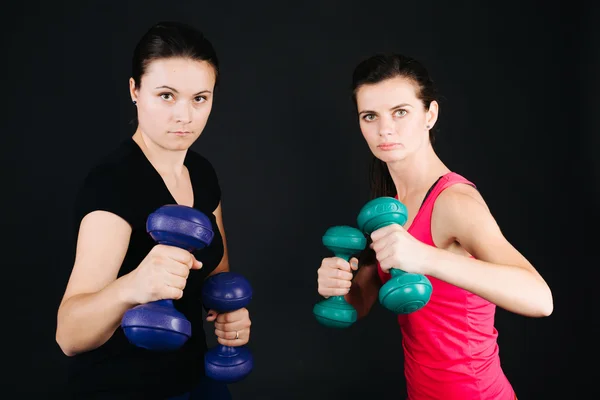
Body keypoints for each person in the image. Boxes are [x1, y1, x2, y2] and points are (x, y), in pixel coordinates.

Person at [316, 54, 553, 400]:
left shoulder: (454, 202)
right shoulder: (388, 205)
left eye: (400, 112)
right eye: (370, 116)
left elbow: (540, 298)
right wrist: (338, 285)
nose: (385, 129)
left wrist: (424, 257)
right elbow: (362, 301)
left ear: (430, 114)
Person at [56, 21, 251, 399]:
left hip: (194, 378)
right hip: (122, 387)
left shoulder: (202, 172)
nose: (185, 115)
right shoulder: (113, 183)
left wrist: (229, 312)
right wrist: (134, 285)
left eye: (200, 98)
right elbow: (68, 334)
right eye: (166, 95)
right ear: (135, 90)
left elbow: (217, 271)